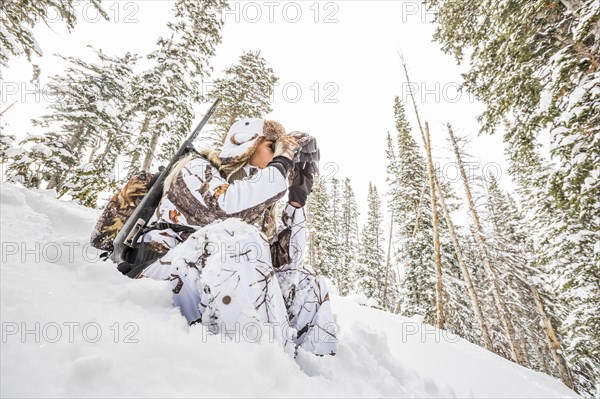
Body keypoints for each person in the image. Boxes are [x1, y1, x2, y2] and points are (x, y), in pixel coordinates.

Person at [135, 118, 338, 357]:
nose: (276, 157)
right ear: (246, 143)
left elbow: (285, 264)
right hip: (163, 274)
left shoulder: (253, 202)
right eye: (273, 147)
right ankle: (264, 367)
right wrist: (282, 162)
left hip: (216, 292)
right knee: (238, 238)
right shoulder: (196, 168)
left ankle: (312, 373)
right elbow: (224, 207)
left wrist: (297, 198)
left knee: (306, 280)